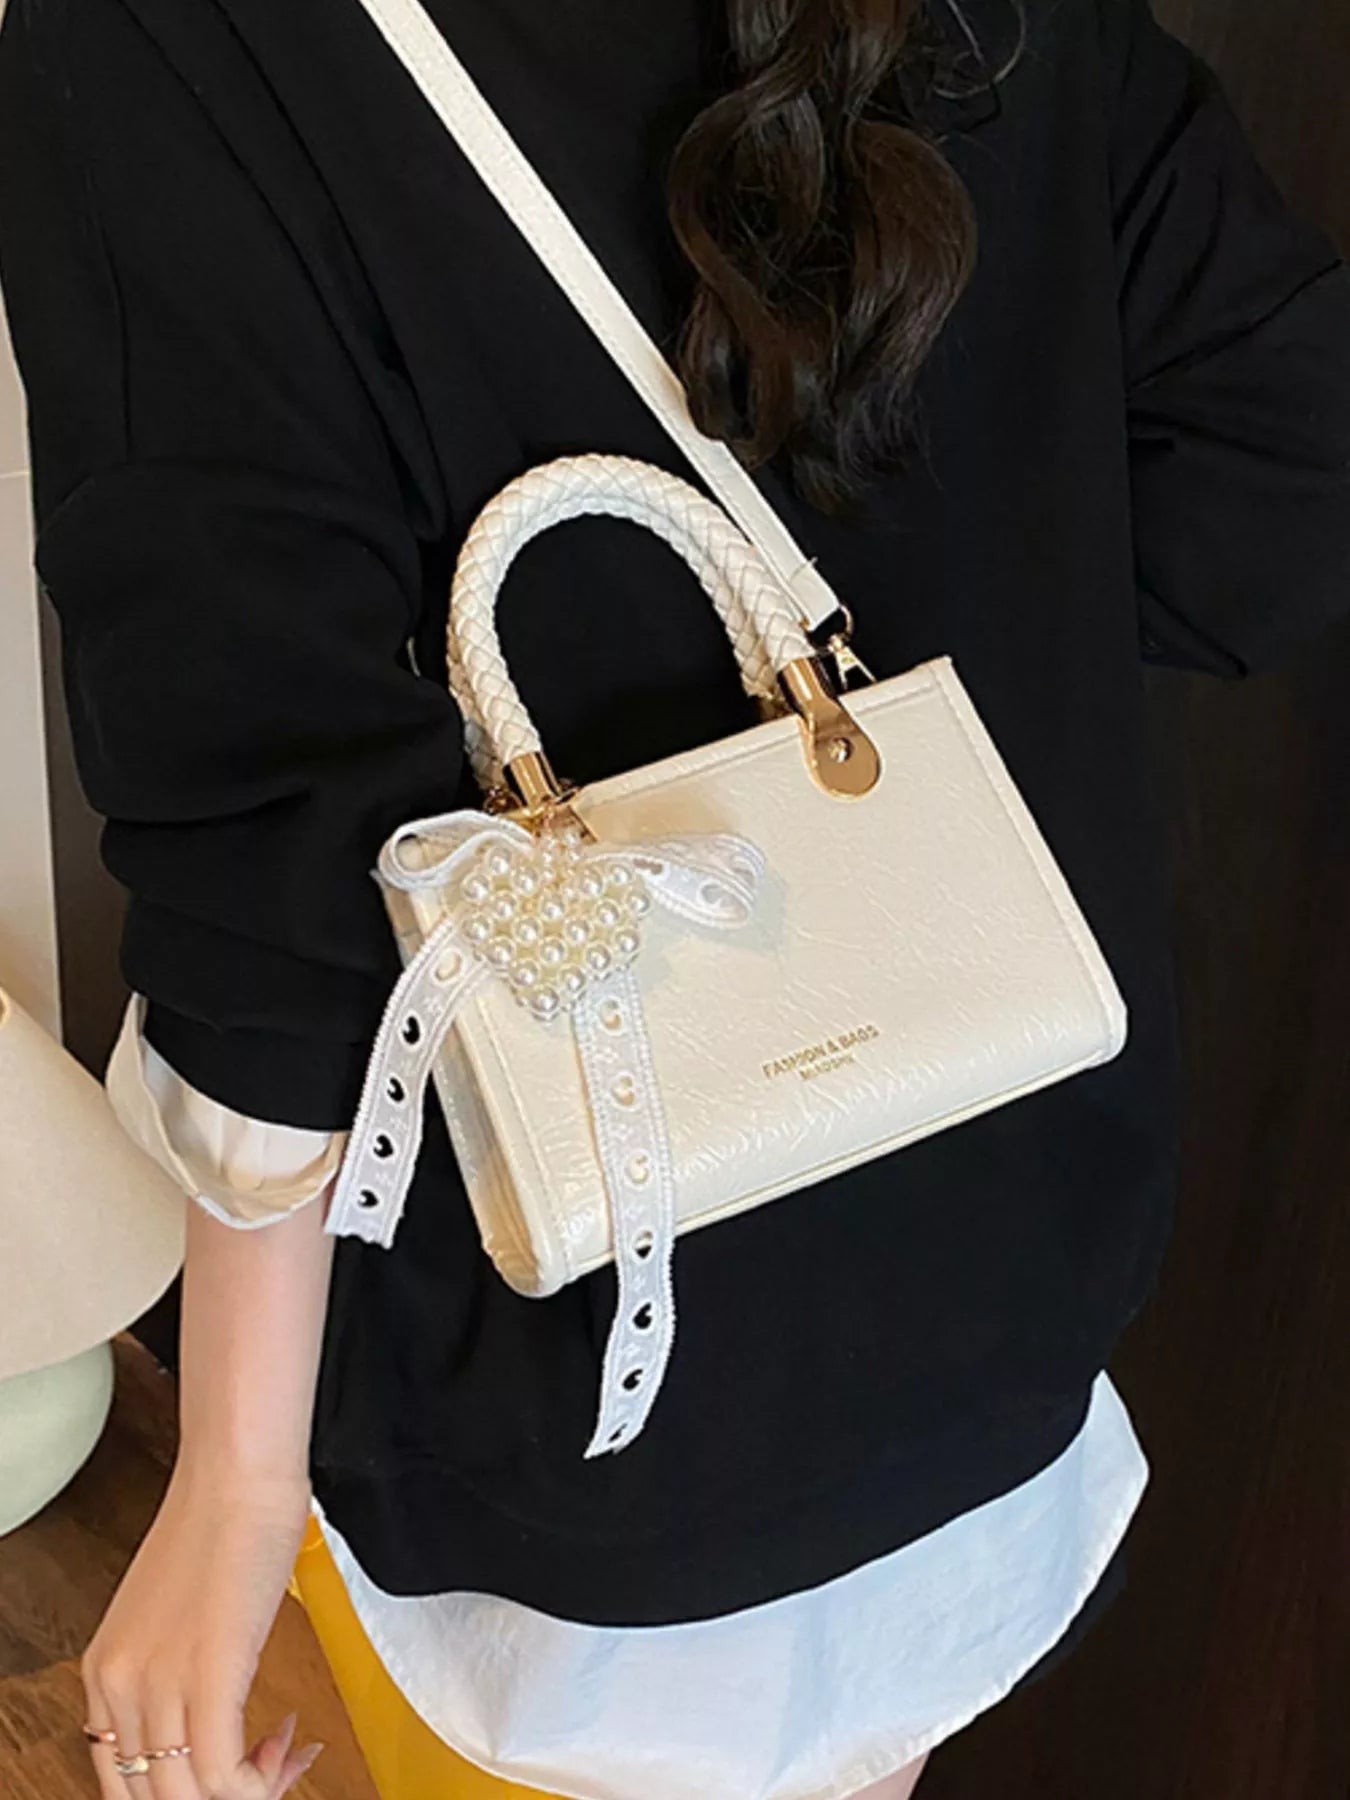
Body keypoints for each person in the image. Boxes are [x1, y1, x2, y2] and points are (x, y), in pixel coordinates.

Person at [2, 1, 1348, 1796]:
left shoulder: (169, 42)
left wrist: (235, 1475)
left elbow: (270, 826)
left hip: (592, 1357)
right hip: (999, 1222)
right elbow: (1274, 484)